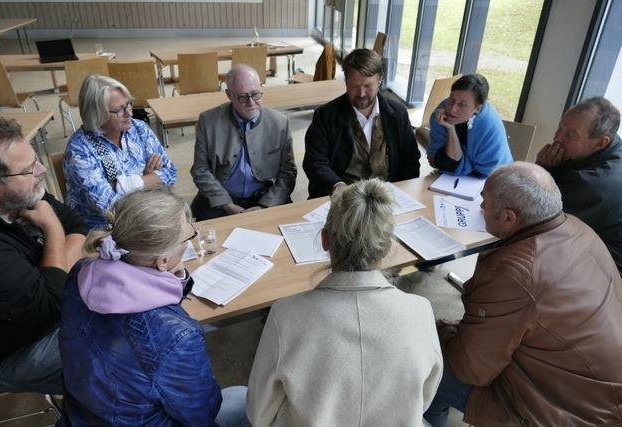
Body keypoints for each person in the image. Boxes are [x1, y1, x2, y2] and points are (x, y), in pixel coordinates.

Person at [424, 162, 622, 427]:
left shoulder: (515, 273)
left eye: (484, 202)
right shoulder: (578, 228)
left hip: (562, 412)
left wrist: (438, 331)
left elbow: (469, 369)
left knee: (429, 359)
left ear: (509, 218)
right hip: (600, 397)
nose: (480, 208)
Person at [247, 179, 443, 426]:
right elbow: (423, 399)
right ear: (387, 247)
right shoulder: (420, 311)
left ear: (325, 240)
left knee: (232, 398)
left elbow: (259, 414)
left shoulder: (284, 316)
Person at [59, 187, 248, 426]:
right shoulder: (178, 335)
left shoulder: (82, 272)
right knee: (243, 398)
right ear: (163, 261)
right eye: (188, 234)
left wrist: (171, 279)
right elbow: (201, 414)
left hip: (81, 414)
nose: (195, 230)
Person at [0, 118, 87, 396]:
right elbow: (52, 305)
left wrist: (54, 270)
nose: (41, 170)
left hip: (42, 309)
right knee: (118, 354)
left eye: (35, 160)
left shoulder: (19, 191)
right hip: (6, 355)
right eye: (29, 169)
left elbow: (78, 225)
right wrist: (52, 226)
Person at [303, 48, 421, 198]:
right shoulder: (325, 116)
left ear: (380, 80)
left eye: (367, 86)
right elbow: (315, 162)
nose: (361, 94)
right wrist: (337, 186)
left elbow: (411, 158)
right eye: (354, 86)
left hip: (387, 197)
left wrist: (402, 191)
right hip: (342, 199)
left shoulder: (398, 113)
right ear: (345, 82)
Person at [63, 74, 177, 229]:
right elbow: (109, 207)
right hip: (105, 232)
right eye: (119, 110)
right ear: (96, 113)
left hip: (146, 216)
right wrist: (150, 180)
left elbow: (170, 173)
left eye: (128, 104)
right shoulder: (79, 150)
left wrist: (122, 185)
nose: (129, 113)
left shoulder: (139, 128)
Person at [190, 64, 297, 220]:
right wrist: (226, 204)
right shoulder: (208, 121)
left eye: (255, 94)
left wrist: (264, 205)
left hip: (266, 199)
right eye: (242, 97)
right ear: (229, 95)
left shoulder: (280, 123)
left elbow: (288, 173)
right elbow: (200, 170)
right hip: (221, 199)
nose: (251, 102)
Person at [536, 96, 622, 272]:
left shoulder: (593, 183)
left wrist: (543, 169)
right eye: (561, 126)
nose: (557, 138)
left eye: (571, 135)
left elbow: (537, 218)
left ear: (600, 143)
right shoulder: (608, 146)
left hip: (604, 272)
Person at [426, 73, 512, 176]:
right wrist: (450, 129)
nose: (452, 109)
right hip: (450, 180)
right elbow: (434, 160)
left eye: (462, 104)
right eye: (451, 98)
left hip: (494, 180)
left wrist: (457, 163)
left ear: (478, 108)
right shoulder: (441, 113)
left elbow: (491, 173)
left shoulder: (489, 126)